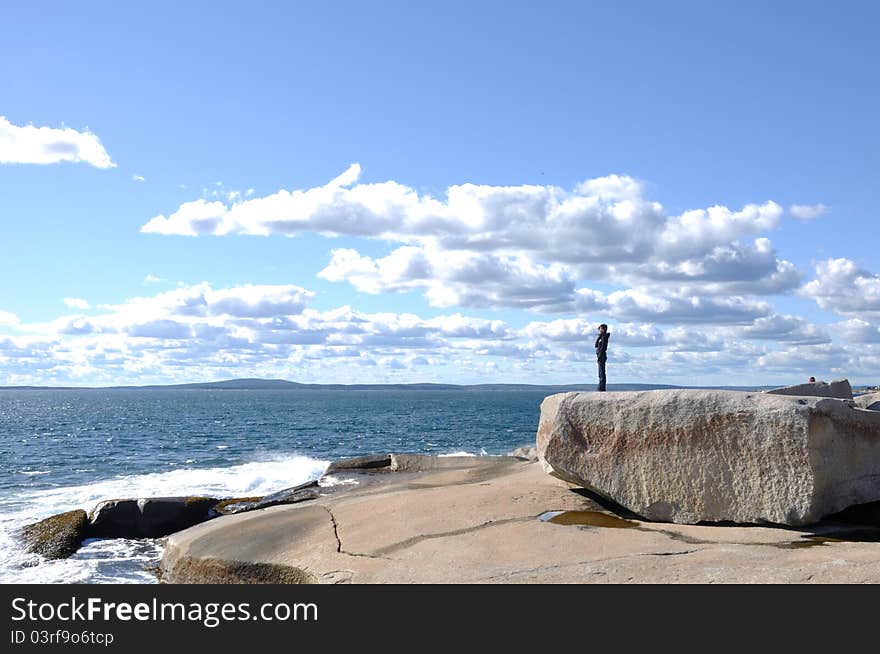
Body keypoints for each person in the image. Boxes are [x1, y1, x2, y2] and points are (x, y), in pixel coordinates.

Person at [595, 324, 610, 392]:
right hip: (600, 355)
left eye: (600, 329)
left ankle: (601, 388)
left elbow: (603, 348)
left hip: (602, 355)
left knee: (601, 372)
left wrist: (599, 357)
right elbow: (596, 345)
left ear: (604, 329)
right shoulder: (602, 337)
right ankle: (601, 387)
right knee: (600, 372)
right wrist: (599, 337)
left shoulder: (604, 337)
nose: (599, 330)